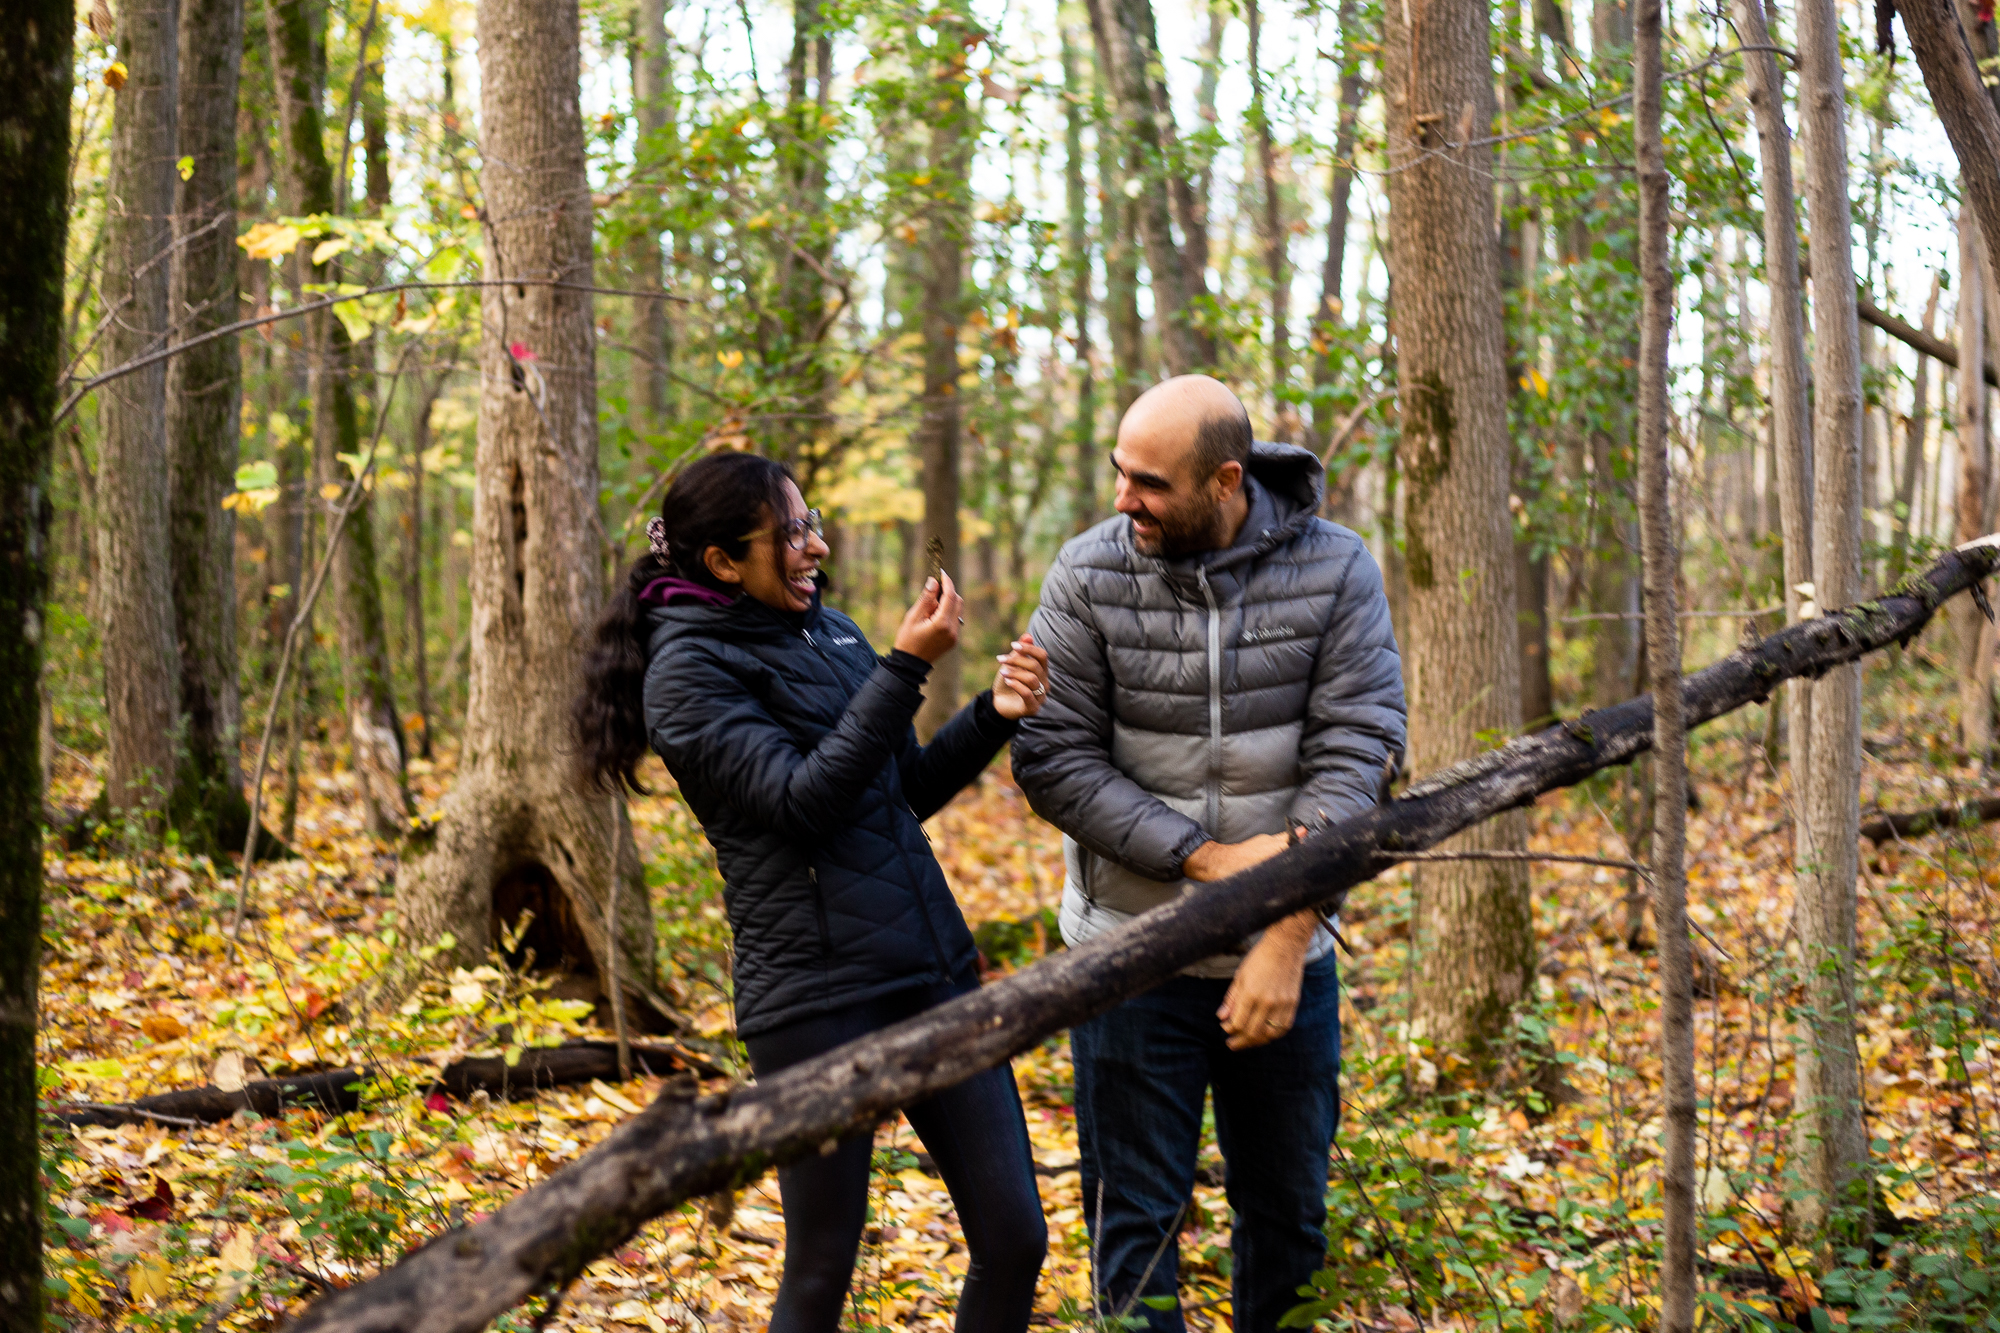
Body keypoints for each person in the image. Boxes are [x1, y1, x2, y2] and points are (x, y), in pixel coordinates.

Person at [573, 451, 1050, 1333]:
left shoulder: (827, 634)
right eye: (789, 534)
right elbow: (802, 803)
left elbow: (899, 787)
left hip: (931, 972)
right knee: (824, 1260)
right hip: (816, 999)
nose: (815, 546)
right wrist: (903, 668)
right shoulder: (685, 673)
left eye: (810, 522)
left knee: (1016, 1235)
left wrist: (992, 712)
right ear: (722, 562)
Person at [1011, 375, 1407, 1332]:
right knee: (1134, 1230)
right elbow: (1053, 757)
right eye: (1118, 473)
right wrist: (1206, 860)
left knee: (1288, 1223)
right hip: (1127, 955)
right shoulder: (1088, 571)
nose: (1122, 500)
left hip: (1287, 967)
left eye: (1147, 482)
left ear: (1225, 480)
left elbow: (1361, 750)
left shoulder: (1339, 568)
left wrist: (1286, 922)